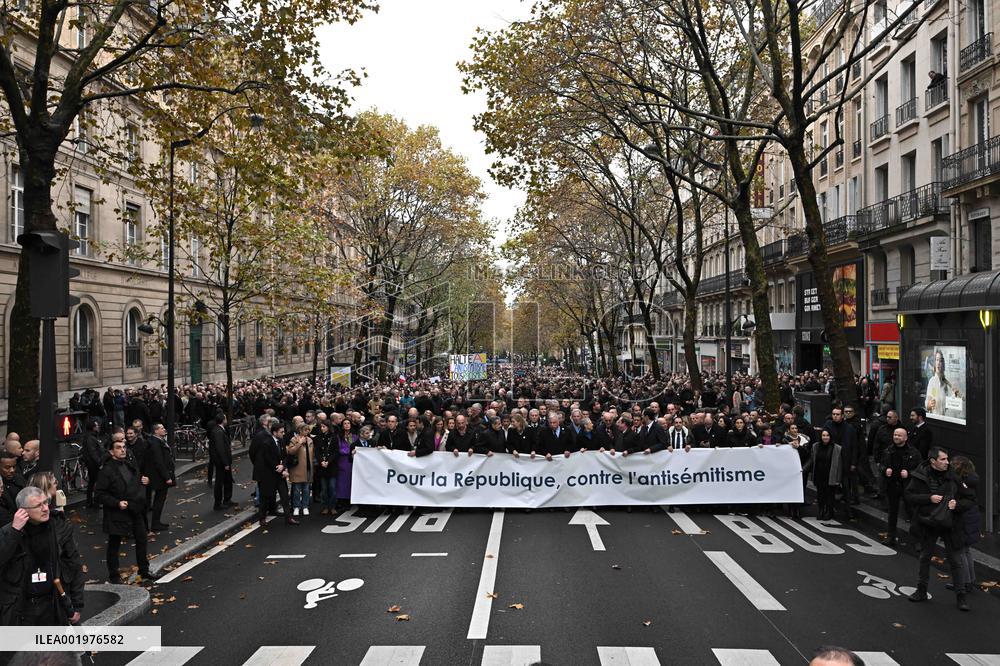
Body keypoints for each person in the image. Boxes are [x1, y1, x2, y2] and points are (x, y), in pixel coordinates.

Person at [0, 487, 85, 625]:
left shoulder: (60, 527)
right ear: (23, 510)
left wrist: (77, 603)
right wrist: (14, 531)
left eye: (46, 502)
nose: (45, 508)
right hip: (21, 611)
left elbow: (74, 564)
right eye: (38, 505)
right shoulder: (10, 531)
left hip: (54, 605)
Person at [905, 446, 972, 611]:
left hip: (950, 524)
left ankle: (961, 596)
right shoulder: (920, 476)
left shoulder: (953, 477)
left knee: (955, 561)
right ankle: (921, 591)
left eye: (947, 459)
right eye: (943, 459)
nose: (947, 462)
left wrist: (957, 505)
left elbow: (970, 498)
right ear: (933, 461)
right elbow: (909, 496)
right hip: (929, 523)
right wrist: (929, 498)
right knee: (925, 558)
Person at [94, 438, 156, 584]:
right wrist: (116, 503)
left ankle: (144, 570)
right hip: (117, 512)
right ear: (111, 451)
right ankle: (114, 576)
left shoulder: (129, 465)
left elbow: (137, 481)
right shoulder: (107, 470)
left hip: (134, 509)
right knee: (114, 544)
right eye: (118, 447)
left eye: (124, 447)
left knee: (142, 539)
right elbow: (99, 494)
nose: (123, 449)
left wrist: (145, 481)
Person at [878, 427, 920, 547]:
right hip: (892, 485)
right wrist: (885, 470)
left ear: (905, 438)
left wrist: (909, 473)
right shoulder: (888, 451)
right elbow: (881, 465)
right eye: (895, 435)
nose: (896, 437)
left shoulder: (914, 453)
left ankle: (918, 540)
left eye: (899, 435)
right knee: (892, 513)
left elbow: (920, 470)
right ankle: (890, 536)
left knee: (912, 513)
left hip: (908, 487)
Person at [252, 421, 298, 527]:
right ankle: (262, 518)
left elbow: (285, 456)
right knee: (265, 497)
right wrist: (279, 468)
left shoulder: (281, 441)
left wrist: (283, 466)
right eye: (281, 432)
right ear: (274, 432)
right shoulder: (266, 443)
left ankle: (288, 517)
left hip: (279, 474)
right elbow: (267, 459)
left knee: (285, 496)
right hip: (268, 475)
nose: (283, 434)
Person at [951, 456, 981, 595]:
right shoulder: (972, 480)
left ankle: (964, 582)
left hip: (963, 520)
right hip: (972, 519)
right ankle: (971, 580)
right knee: (966, 551)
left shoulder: (961, 483)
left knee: (960, 551)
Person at [144, 423, 175, 531]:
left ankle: (156, 522)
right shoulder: (155, 443)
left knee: (160, 499)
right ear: (156, 431)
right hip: (159, 477)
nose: (164, 429)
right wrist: (167, 477)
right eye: (161, 428)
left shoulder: (157, 441)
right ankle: (155, 524)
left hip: (159, 475)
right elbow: (159, 461)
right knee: (159, 500)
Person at [804, 429, 842, 520]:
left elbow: (840, 465)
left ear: (830, 437)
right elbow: (812, 460)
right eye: (823, 435)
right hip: (819, 475)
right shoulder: (815, 446)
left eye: (827, 435)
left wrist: (838, 479)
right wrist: (804, 469)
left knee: (829, 495)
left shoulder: (837, 448)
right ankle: (821, 511)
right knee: (820, 495)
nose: (825, 437)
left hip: (830, 475)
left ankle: (829, 512)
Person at [286, 424, 314, 517]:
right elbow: (290, 452)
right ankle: (296, 506)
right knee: (297, 490)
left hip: (308, 468)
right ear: (300, 430)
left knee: (306, 489)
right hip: (297, 468)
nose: (307, 432)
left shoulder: (310, 440)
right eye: (305, 430)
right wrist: (299, 443)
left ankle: (305, 506)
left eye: (308, 430)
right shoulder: (294, 439)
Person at [208, 412, 234, 511]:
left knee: (228, 480)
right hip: (221, 462)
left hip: (223, 461)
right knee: (220, 482)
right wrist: (225, 463)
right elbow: (220, 448)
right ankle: (218, 503)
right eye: (226, 418)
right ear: (223, 420)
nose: (227, 420)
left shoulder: (219, 430)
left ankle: (227, 499)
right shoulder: (218, 431)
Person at [314, 421, 339, 516]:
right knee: (324, 488)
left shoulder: (334, 437)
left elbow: (336, 452)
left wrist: (329, 461)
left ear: (328, 427)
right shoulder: (318, 438)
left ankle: (332, 506)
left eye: (324, 426)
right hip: (322, 466)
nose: (322, 428)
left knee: (332, 487)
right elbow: (317, 452)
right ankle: (325, 506)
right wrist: (321, 461)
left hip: (331, 465)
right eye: (321, 427)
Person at [81, 418, 104, 508]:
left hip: (92, 464)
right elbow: (93, 452)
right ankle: (95, 502)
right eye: (96, 425)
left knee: (92, 482)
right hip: (93, 465)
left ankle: (90, 502)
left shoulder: (92, 437)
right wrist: (99, 463)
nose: (98, 426)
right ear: (93, 427)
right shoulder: (91, 438)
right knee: (96, 483)